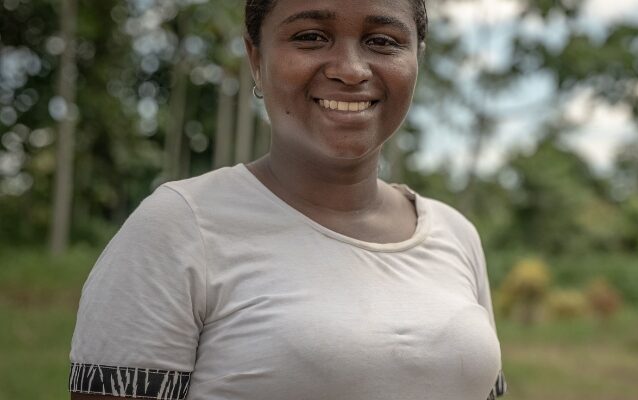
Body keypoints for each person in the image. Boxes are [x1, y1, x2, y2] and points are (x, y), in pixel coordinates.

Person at [68, 0, 507, 399]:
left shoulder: (455, 234)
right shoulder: (181, 227)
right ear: (256, 57)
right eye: (311, 37)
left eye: (382, 41)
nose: (351, 69)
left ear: (417, 60)